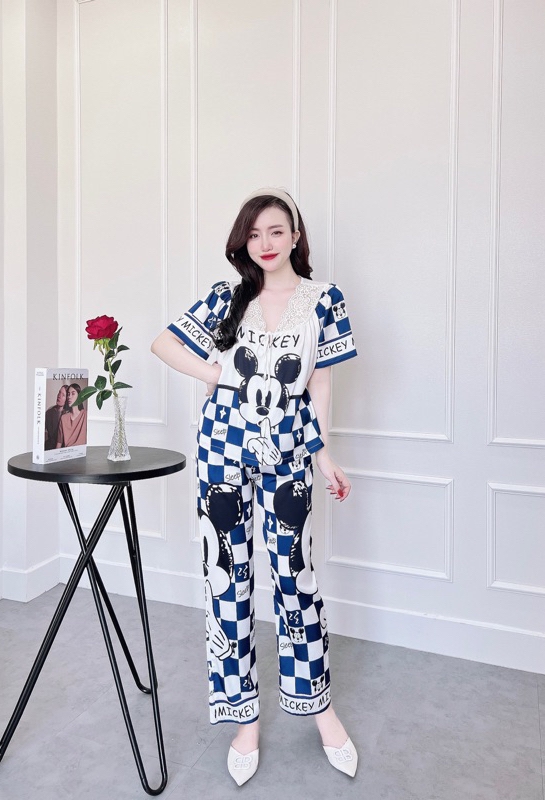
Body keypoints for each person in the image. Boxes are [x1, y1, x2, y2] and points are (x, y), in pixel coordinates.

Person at [151, 188, 359, 786]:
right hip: (220, 448)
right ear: (244, 241)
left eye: (275, 231)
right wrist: (218, 373)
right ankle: (244, 719)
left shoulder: (324, 299)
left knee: (296, 577)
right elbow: (165, 343)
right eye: (254, 233)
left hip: (290, 449)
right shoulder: (228, 296)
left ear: (296, 236)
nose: (264, 243)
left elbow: (319, 385)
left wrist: (323, 454)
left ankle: (319, 708)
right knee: (226, 579)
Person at [56, 383, 87, 448]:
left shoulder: (85, 415)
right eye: (68, 394)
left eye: (73, 394)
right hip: (67, 451)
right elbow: (59, 442)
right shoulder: (63, 418)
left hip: (81, 451)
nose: (69, 397)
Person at [44, 384, 69, 451]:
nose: (59, 396)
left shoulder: (68, 415)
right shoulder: (49, 412)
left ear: (67, 399)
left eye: (63, 395)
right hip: (49, 447)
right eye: (59, 392)